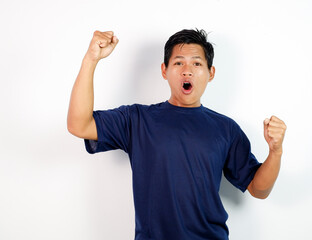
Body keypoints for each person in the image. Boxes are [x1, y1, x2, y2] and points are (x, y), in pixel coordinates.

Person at [67, 29, 287, 240]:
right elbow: (79, 125)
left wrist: (275, 151)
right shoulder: (137, 119)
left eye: (197, 63)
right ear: (164, 70)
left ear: (211, 73)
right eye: (179, 62)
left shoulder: (226, 129)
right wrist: (91, 59)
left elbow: (259, 188)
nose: (187, 70)